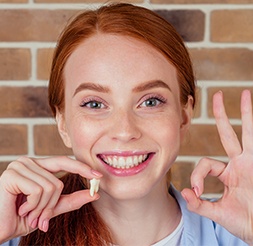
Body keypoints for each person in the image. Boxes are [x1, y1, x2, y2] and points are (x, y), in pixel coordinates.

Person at [0, 3, 252, 245]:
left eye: (151, 101)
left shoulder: (240, 233)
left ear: (184, 116)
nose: (125, 131)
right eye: (95, 104)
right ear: (63, 123)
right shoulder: (11, 236)